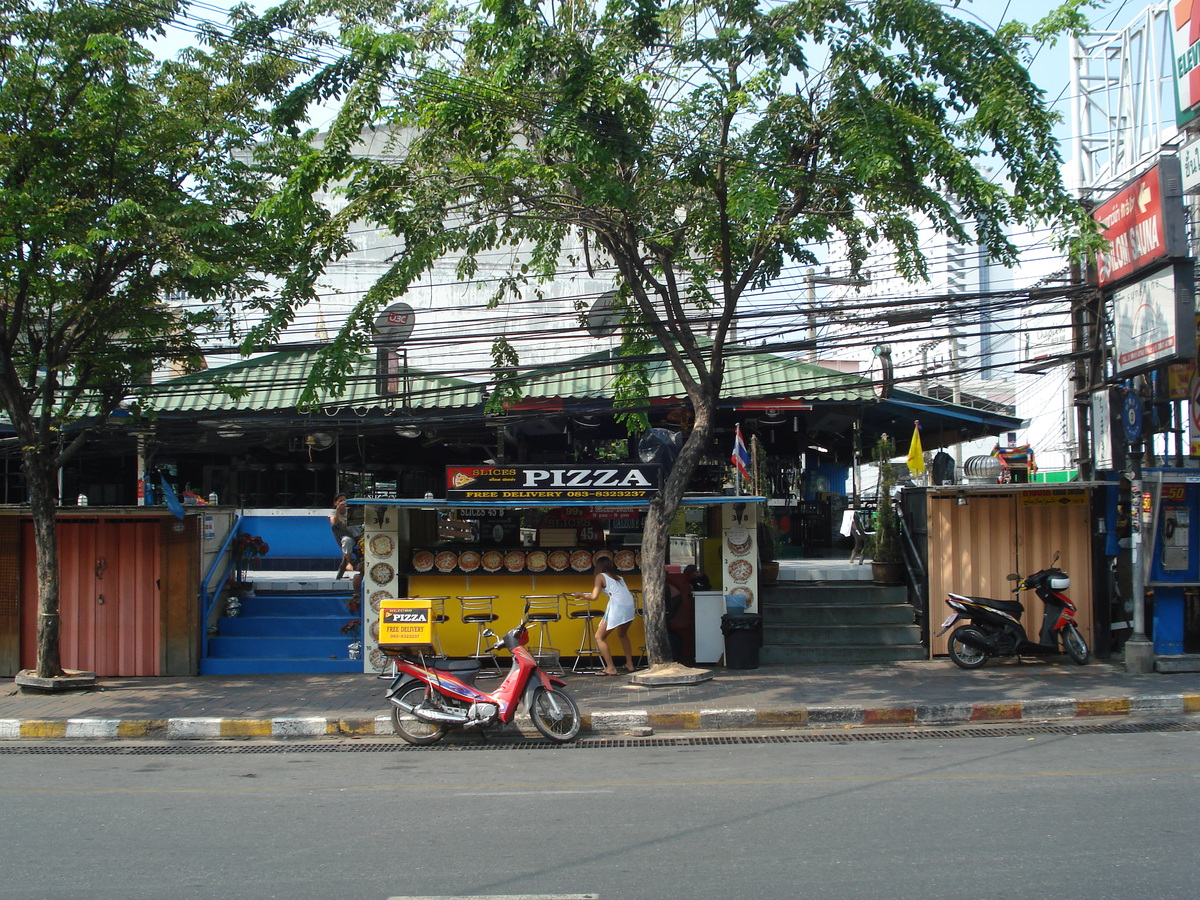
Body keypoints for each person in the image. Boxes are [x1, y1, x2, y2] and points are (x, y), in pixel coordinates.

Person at [578, 557, 637, 676]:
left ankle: (611, 668)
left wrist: (581, 595)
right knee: (622, 634)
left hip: (617, 607)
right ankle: (630, 664)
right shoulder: (620, 578)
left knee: (599, 637)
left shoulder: (600, 576)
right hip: (630, 607)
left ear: (598, 566)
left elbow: (594, 597)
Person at [330, 494, 361, 582]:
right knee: (346, 541)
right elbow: (334, 522)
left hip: (358, 536)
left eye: (344, 501)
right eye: (340, 501)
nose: (343, 503)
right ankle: (348, 562)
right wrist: (338, 510)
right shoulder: (332, 513)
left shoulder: (351, 511)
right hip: (348, 537)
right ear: (335, 503)